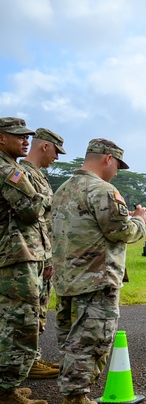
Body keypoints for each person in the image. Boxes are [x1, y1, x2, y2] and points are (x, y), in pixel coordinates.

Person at [51, 138, 146, 404]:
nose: (116, 171)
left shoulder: (64, 189)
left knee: (72, 342)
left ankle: (74, 401)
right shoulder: (102, 190)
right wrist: (140, 220)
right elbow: (121, 231)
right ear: (107, 158)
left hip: (67, 279)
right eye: (117, 164)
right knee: (92, 342)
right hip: (96, 279)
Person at [0, 117, 49, 404]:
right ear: (1, 139)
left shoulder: (12, 166)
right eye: (18, 136)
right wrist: (44, 196)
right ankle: (6, 390)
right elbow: (31, 209)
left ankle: (8, 385)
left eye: (27, 136)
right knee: (19, 322)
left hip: (21, 253)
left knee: (12, 320)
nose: (25, 140)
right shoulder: (7, 170)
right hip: (15, 256)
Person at [21, 128, 66, 380]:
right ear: (45, 146)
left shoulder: (37, 175)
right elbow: (35, 219)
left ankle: (32, 358)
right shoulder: (23, 174)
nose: (57, 157)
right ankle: (26, 362)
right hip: (32, 251)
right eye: (56, 151)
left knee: (39, 308)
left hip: (42, 251)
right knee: (28, 311)